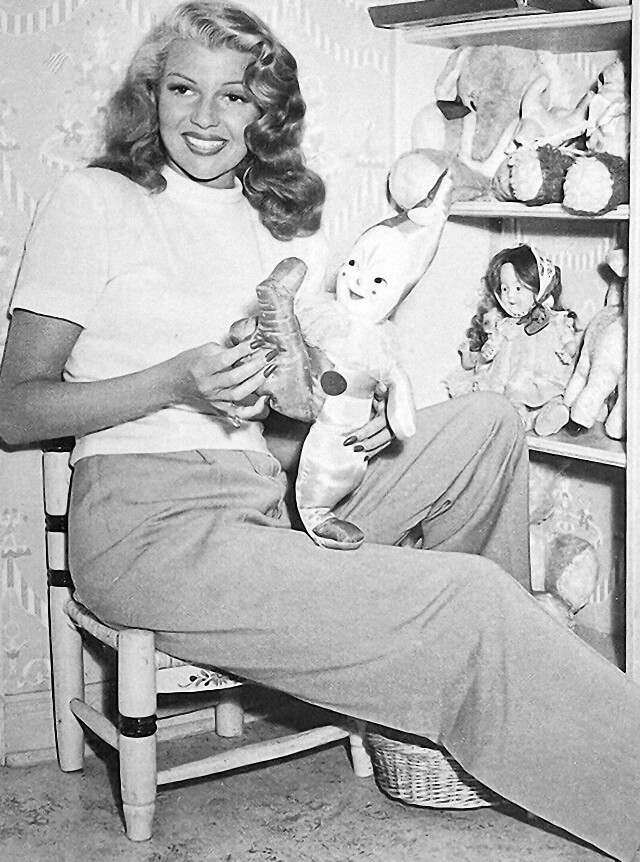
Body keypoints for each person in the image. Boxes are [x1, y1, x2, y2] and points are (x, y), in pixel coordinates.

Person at [0, 3, 640, 860]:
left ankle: (466, 720)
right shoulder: (94, 200)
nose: (204, 117)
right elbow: (16, 410)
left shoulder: (260, 220)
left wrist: (346, 414)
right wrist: (171, 382)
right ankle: (506, 699)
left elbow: (285, 411)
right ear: (151, 96)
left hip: (265, 496)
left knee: (488, 422)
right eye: (183, 89)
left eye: (233, 97)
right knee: (470, 598)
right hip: (149, 529)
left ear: (262, 112)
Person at [444, 244, 580, 436]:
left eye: (518, 288)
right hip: (514, 380)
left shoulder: (556, 320)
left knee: (554, 396)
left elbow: (570, 341)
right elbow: (490, 348)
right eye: (504, 288)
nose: (510, 295)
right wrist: (487, 353)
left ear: (540, 287)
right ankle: (522, 421)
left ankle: (549, 416)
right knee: (512, 404)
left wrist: (569, 350)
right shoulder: (505, 325)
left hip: (546, 377)